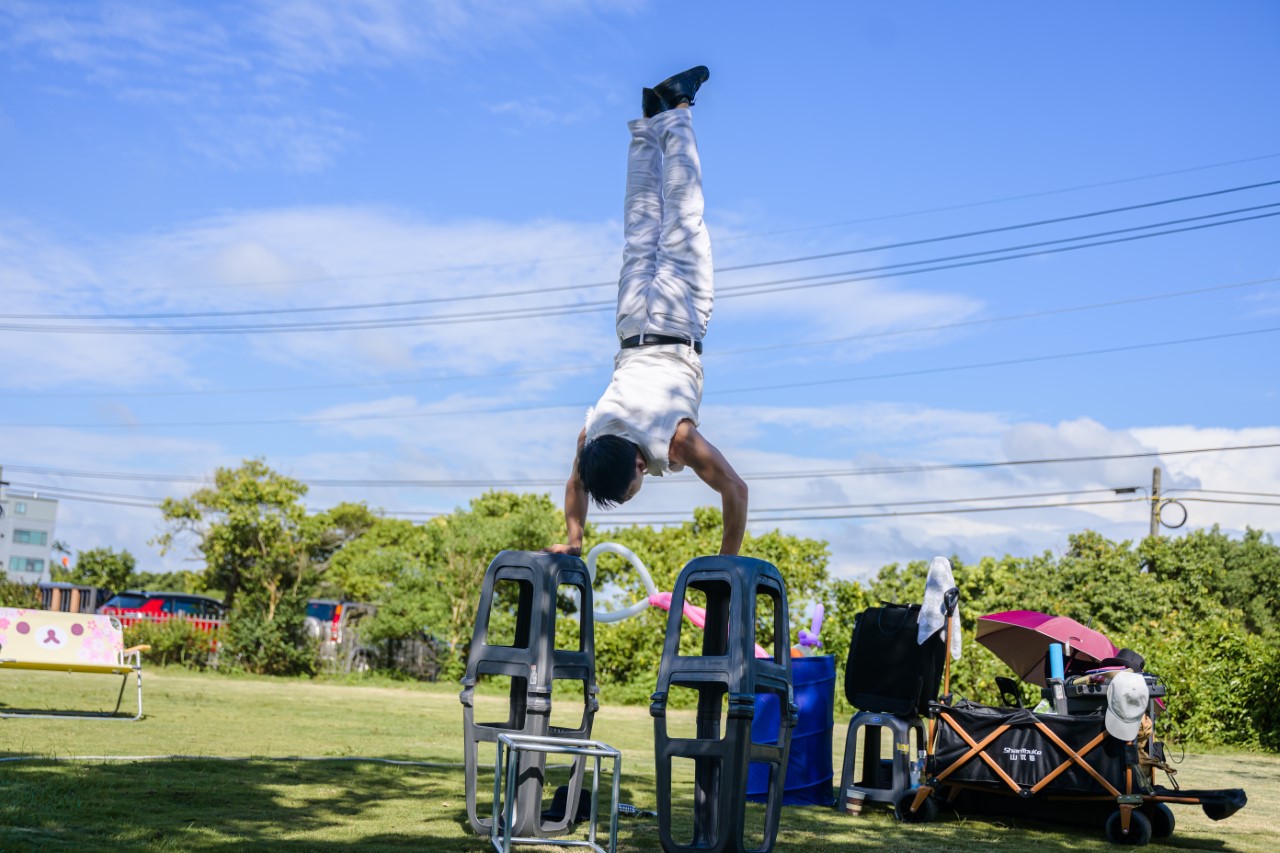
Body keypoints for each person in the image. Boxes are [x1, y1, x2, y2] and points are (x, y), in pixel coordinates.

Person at [548, 66, 748, 558]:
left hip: (679, 320)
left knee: (683, 214)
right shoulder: (594, 432)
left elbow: (734, 489)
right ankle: (648, 124)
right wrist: (574, 539)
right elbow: (576, 484)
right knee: (640, 228)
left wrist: (725, 565)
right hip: (631, 323)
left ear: (639, 468)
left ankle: (677, 111)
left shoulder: (674, 441)